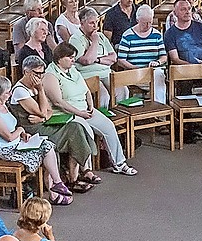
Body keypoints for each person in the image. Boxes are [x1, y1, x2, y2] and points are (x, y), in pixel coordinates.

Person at [44, 43, 137, 176]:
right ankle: (87, 171)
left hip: (85, 110)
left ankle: (119, 163)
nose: (73, 60)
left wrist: (91, 105)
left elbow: (86, 89)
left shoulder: (73, 70)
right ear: (59, 58)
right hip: (67, 114)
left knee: (108, 126)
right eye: (70, 57)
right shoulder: (50, 75)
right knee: (87, 131)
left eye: (74, 57)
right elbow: (58, 102)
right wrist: (79, 113)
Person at [11, 55, 98, 193]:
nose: (41, 77)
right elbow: (43, 112)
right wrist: (40, 92)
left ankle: (74, 176)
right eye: (37, 73)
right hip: (31, 130)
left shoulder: (35, 86)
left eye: (42, 73)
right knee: (73, 131)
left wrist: (42, 118)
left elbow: (48, 112)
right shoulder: (20, 90)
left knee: (76, 127)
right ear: (26, 72)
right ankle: (74, 178)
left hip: (42, 124)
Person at [0, 75, 70, 206]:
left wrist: (23, 134)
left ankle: (57, 184)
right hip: (5, 150)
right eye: (7, 92)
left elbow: (12, 128)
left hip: (16, 144)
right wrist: (21, 130)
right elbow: (9, 137)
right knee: (42, 151)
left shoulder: (4, 106)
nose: (10, 94)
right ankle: (53, 190)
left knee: (48, 145)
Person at [70, 7, 116, 105]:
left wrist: (97, 60)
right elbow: (86, 61)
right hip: (89, 75)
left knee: (122, 91)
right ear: (82, 23)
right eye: (92, 23)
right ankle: (104, 118)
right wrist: (95, 41)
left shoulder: (101, 36)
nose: (95, 26)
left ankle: (119, 115)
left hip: (106, 72)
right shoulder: (75, 39)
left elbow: (113, 58)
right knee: (104, 95)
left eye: (96, 22)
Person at [164, 0, 202, 67]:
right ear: (175, 13)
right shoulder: (169, 33)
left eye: (189, 8)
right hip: (184, 69)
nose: (187, 12)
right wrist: (193, 67)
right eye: (183, 9)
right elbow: (175, 59)